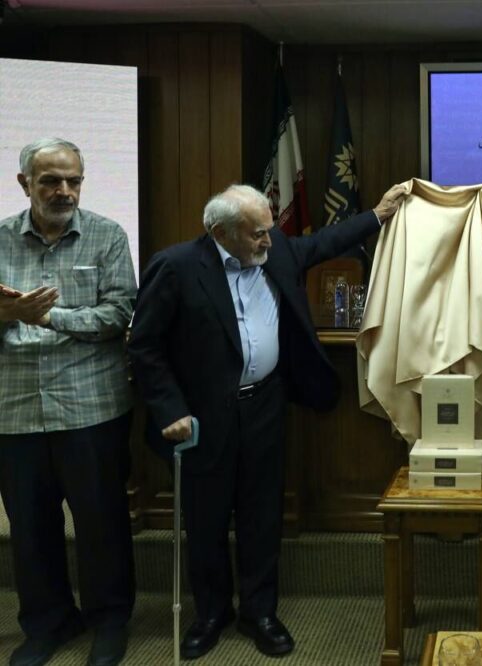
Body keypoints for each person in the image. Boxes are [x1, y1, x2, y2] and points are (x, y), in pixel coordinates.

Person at [127, 182, 405, 660]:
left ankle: (260, 613)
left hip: (265, 406)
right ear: (220, 232)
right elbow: (145, 346)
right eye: (256, 233)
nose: (267, 241)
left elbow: (325, 242)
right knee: (207, 518)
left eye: (269, 230)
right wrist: (170, 410)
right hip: (201, 416)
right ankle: (211, 613)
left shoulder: (276, 253)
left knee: (262, 514)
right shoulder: (176, 267)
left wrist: (378, 214)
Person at [0, 138, 137, 666]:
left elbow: (117, 315)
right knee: (30, 526)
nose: (64, 191)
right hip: (15, 409)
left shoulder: (107, 235)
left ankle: (109, 621)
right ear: (24, 184)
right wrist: (7, 316)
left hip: (90, 407)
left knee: (101, 522)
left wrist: (46, 317)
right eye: (50, 181)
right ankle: (47, 623)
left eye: (73, 180)